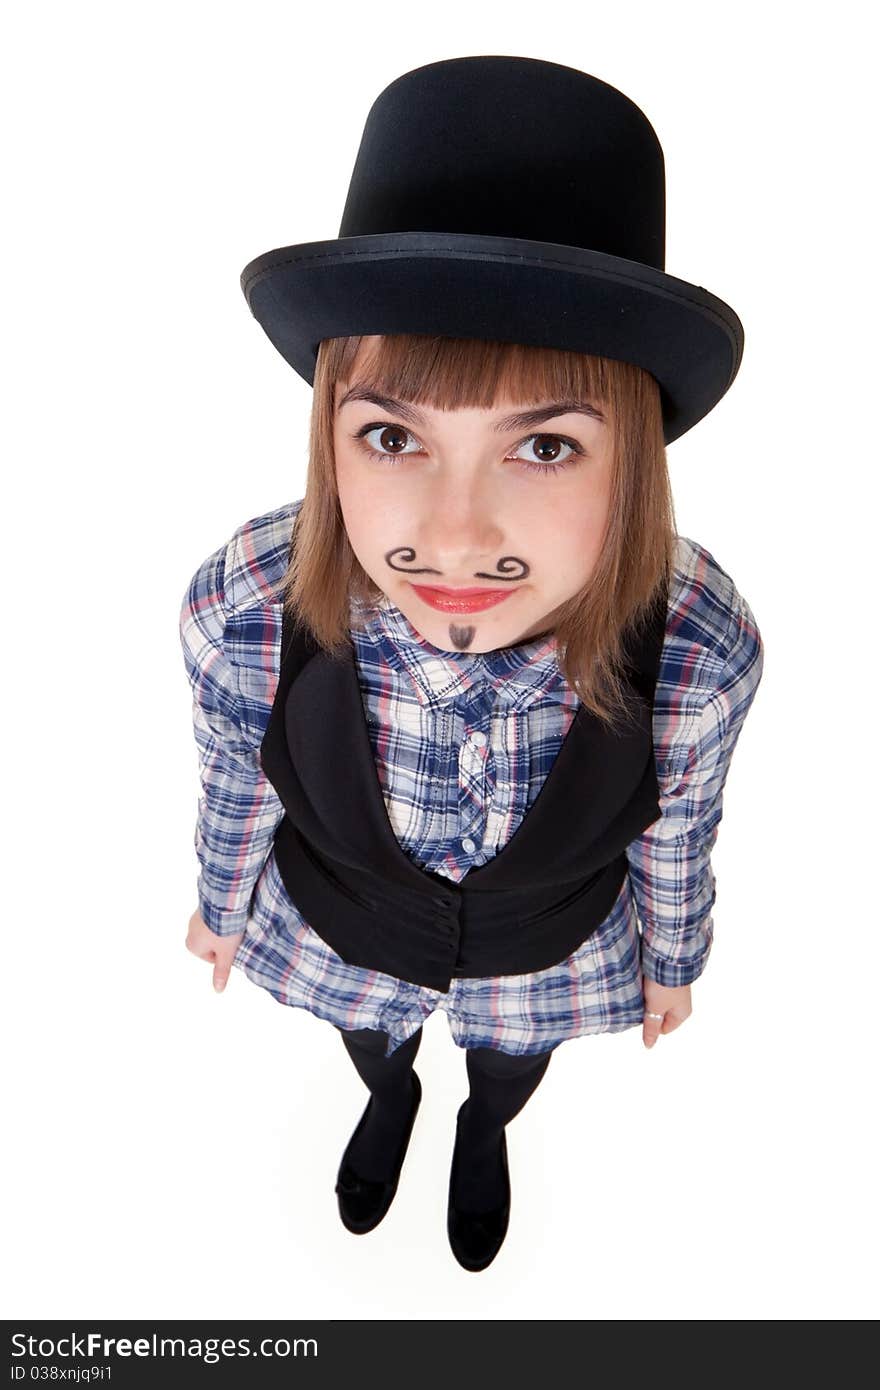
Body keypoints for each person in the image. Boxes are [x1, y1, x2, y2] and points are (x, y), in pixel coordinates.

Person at [179, 56, 764, 1273]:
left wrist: (674, 955)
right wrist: (220, 896)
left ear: (635, 463)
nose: (451, 538)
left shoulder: (695, 640)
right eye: (393, 435)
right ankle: (387, 1095)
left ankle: (484, 1126)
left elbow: (678, 821)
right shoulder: (250, 595)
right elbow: (237, 767)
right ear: (333, 436)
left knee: (509, 1061)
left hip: (543, 950)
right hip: (346, 926)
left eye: (545, 445)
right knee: (370, 1036)